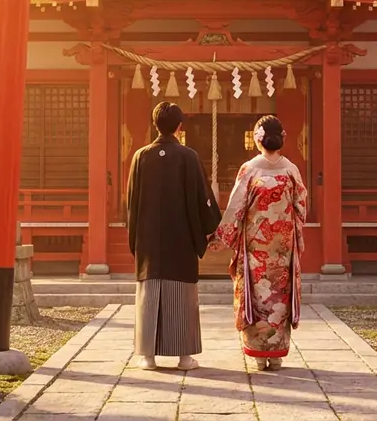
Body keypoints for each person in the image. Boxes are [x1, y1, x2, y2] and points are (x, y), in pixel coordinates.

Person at [126, 101, 220, 371]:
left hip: (149, 241)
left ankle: (147, 357)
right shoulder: (188, 157)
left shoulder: (140, 157)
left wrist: (135, 238)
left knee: (149, 294)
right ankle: (184, 358)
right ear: (180, 126)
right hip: (181, 240)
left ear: (155, 124)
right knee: (182, 296)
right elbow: (204, 200)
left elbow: (131, 203)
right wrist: (210, 230)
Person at [210, 115, 307, 371]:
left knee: (257, 294)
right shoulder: (291, 170)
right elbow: (301, 207)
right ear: (282, 138)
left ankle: (258, 354)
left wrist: (222, 236)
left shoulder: (249, 169)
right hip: (282, 248)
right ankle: (276, 354)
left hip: (256, 246)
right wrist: (291, 232)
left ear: (257, 138)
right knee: (280, 298)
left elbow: (235, 209)